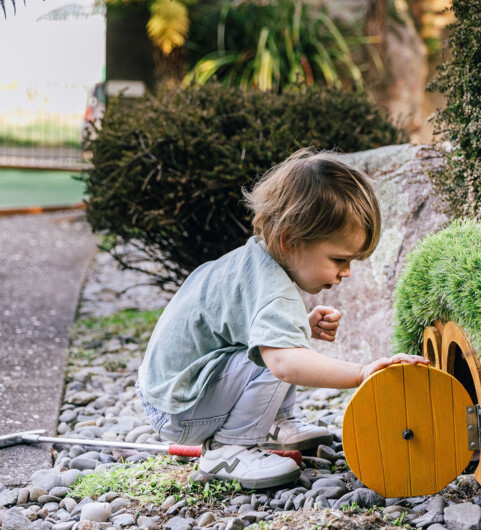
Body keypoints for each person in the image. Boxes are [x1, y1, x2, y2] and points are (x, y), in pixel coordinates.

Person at [136, 148, 429, 489]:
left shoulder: (253, 264)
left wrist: (301, 323)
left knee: (281, 345)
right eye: (339, 259)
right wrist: (362, 373)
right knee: (277, 356)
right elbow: (285, 364)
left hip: (168, 392)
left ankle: (273, 424)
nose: (346, 272)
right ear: (290, 239)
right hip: (179, 409)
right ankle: (228, 449)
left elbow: (239, 328)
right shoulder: (274, 291)